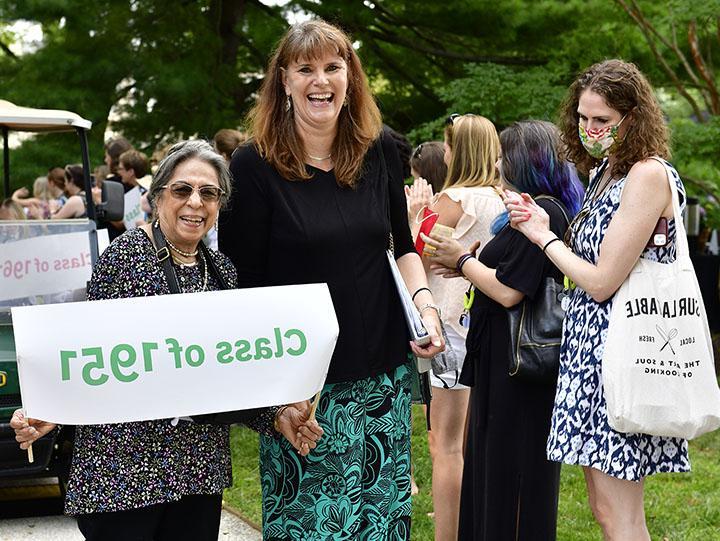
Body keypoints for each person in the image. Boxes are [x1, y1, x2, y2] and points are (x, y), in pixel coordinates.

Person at [11, 140, 323, 541]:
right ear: (158, 197)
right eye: (182, 190)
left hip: (198, 471)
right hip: (124, 476)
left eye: (208, 193)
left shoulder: (223, 273)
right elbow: (90, 358)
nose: (196, 202)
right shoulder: (126, 258)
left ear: (218, 205)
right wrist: (48, 407)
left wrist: (278, 415)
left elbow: (233, 374)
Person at [219, 19, 444, 540]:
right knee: (314, 527)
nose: (320, 81)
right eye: (305, 69)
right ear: (284, 81)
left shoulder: (380, 148)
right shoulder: (253, 165)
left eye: (332, 67)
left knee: (381, 523)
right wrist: (274, 397)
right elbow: (243, 286)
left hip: (382, 380)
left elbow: (402, 246)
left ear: (350, 77)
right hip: (306, 390)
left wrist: (426, 307)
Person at [504, 60, 690, 540]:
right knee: (607, 509)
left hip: (622, 351)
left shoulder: (647, 174)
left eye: (602, 120)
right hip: (592, 353)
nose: (589, 129)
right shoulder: (608, 172)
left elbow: (603, 279)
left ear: (634, 117)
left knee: (619, 514)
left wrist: (544, 238)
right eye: (583, 118)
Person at [424, 120, 584, 540]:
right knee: (490, 469)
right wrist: (473, 260)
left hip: (521, 370)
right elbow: (505, 272)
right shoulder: (525, 208)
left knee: (512, 478)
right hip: (501, 363)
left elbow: (512, 291)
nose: (496, 163)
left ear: (525, 161)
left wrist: (462, 261)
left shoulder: (545, 211)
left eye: (504, 155)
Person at [406, 114, 505, 541]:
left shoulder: (453, 198)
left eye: (447, 146)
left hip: (447, 326)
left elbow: (414, 258)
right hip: (482, 325)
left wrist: (413, 216)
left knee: (444, 446)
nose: (443, 153)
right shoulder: (503, 199)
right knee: (470, 444)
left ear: (457, 151)